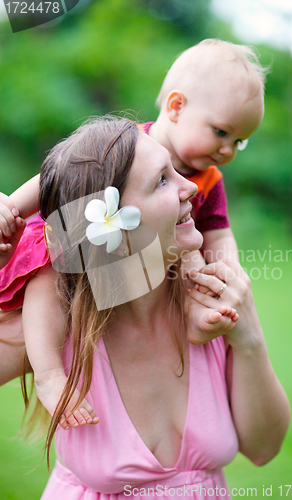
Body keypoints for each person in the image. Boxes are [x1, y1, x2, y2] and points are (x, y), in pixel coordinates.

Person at [6, 115, 289, 498]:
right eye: (161, 181)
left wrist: (249, 334)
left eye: (176, 170)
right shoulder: (58, 327)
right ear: (113, 230)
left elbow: (264, 449)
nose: (191, 186)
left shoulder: (212, 305)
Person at [0, 38, 266, 426]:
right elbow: (51, 180)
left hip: (141, 273)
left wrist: (226, 272)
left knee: (190, 262)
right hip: (72, 238)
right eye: (221, 132)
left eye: (239, 142)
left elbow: (218, 233)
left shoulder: (209, 179)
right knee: (49, 278)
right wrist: (10, 207)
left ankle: (194, 315)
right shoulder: (128, 143)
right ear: (176, 107)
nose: (227, 150)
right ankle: (49, 374)